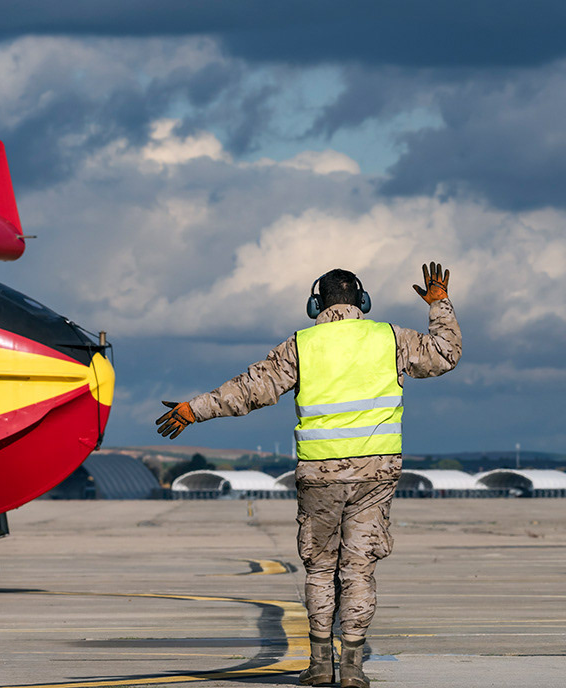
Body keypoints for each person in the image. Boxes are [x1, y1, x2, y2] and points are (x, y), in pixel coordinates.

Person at [155, 263, 461, 688]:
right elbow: (446, 354)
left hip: (319, 474)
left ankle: (319, 666)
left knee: (320, 569)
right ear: (362, 302)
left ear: (316, 304)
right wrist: (438, 304)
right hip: (376, 473)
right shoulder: (391, 338)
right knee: (359, 570)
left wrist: (193, 409)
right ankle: (352, 670)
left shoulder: (301, 345)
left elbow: (249, 389)